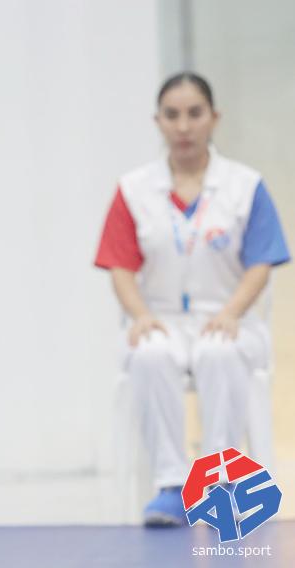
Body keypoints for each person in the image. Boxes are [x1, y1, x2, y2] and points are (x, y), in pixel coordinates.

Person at [95, 72, 290, 527]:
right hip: (160, 317)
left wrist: (232, 312)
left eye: (194, 114)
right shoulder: (133, 189)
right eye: (172, 115)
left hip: (228, 316)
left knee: (219, 352)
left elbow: (261, 263)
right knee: (149, 353)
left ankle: (220, 483)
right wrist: (139, 315)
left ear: (214, 118)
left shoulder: (246, 186)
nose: (183, 126)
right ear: (158, 122)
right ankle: (170, 486)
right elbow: (120, 266)